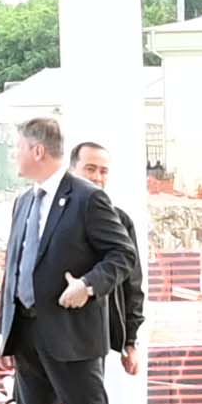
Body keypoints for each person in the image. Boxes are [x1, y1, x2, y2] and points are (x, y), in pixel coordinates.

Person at [0, 118, 142, 404]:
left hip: (72, 336)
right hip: (27, 334)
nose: (15, 155)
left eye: (18, 147)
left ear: (37, 150)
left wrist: (88, 286)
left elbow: (122, 255)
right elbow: (14, 267)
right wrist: (5, 329)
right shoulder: (24, 202)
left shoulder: (88, 199)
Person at [73, 140, 148, 384]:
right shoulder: (51, 215)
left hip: (94, 336)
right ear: (73, 170)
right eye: (90, 169)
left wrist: (130, 340)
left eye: (103, 171)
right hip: (51, 334)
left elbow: (132, 284)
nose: (97, 177)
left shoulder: (119, 221)